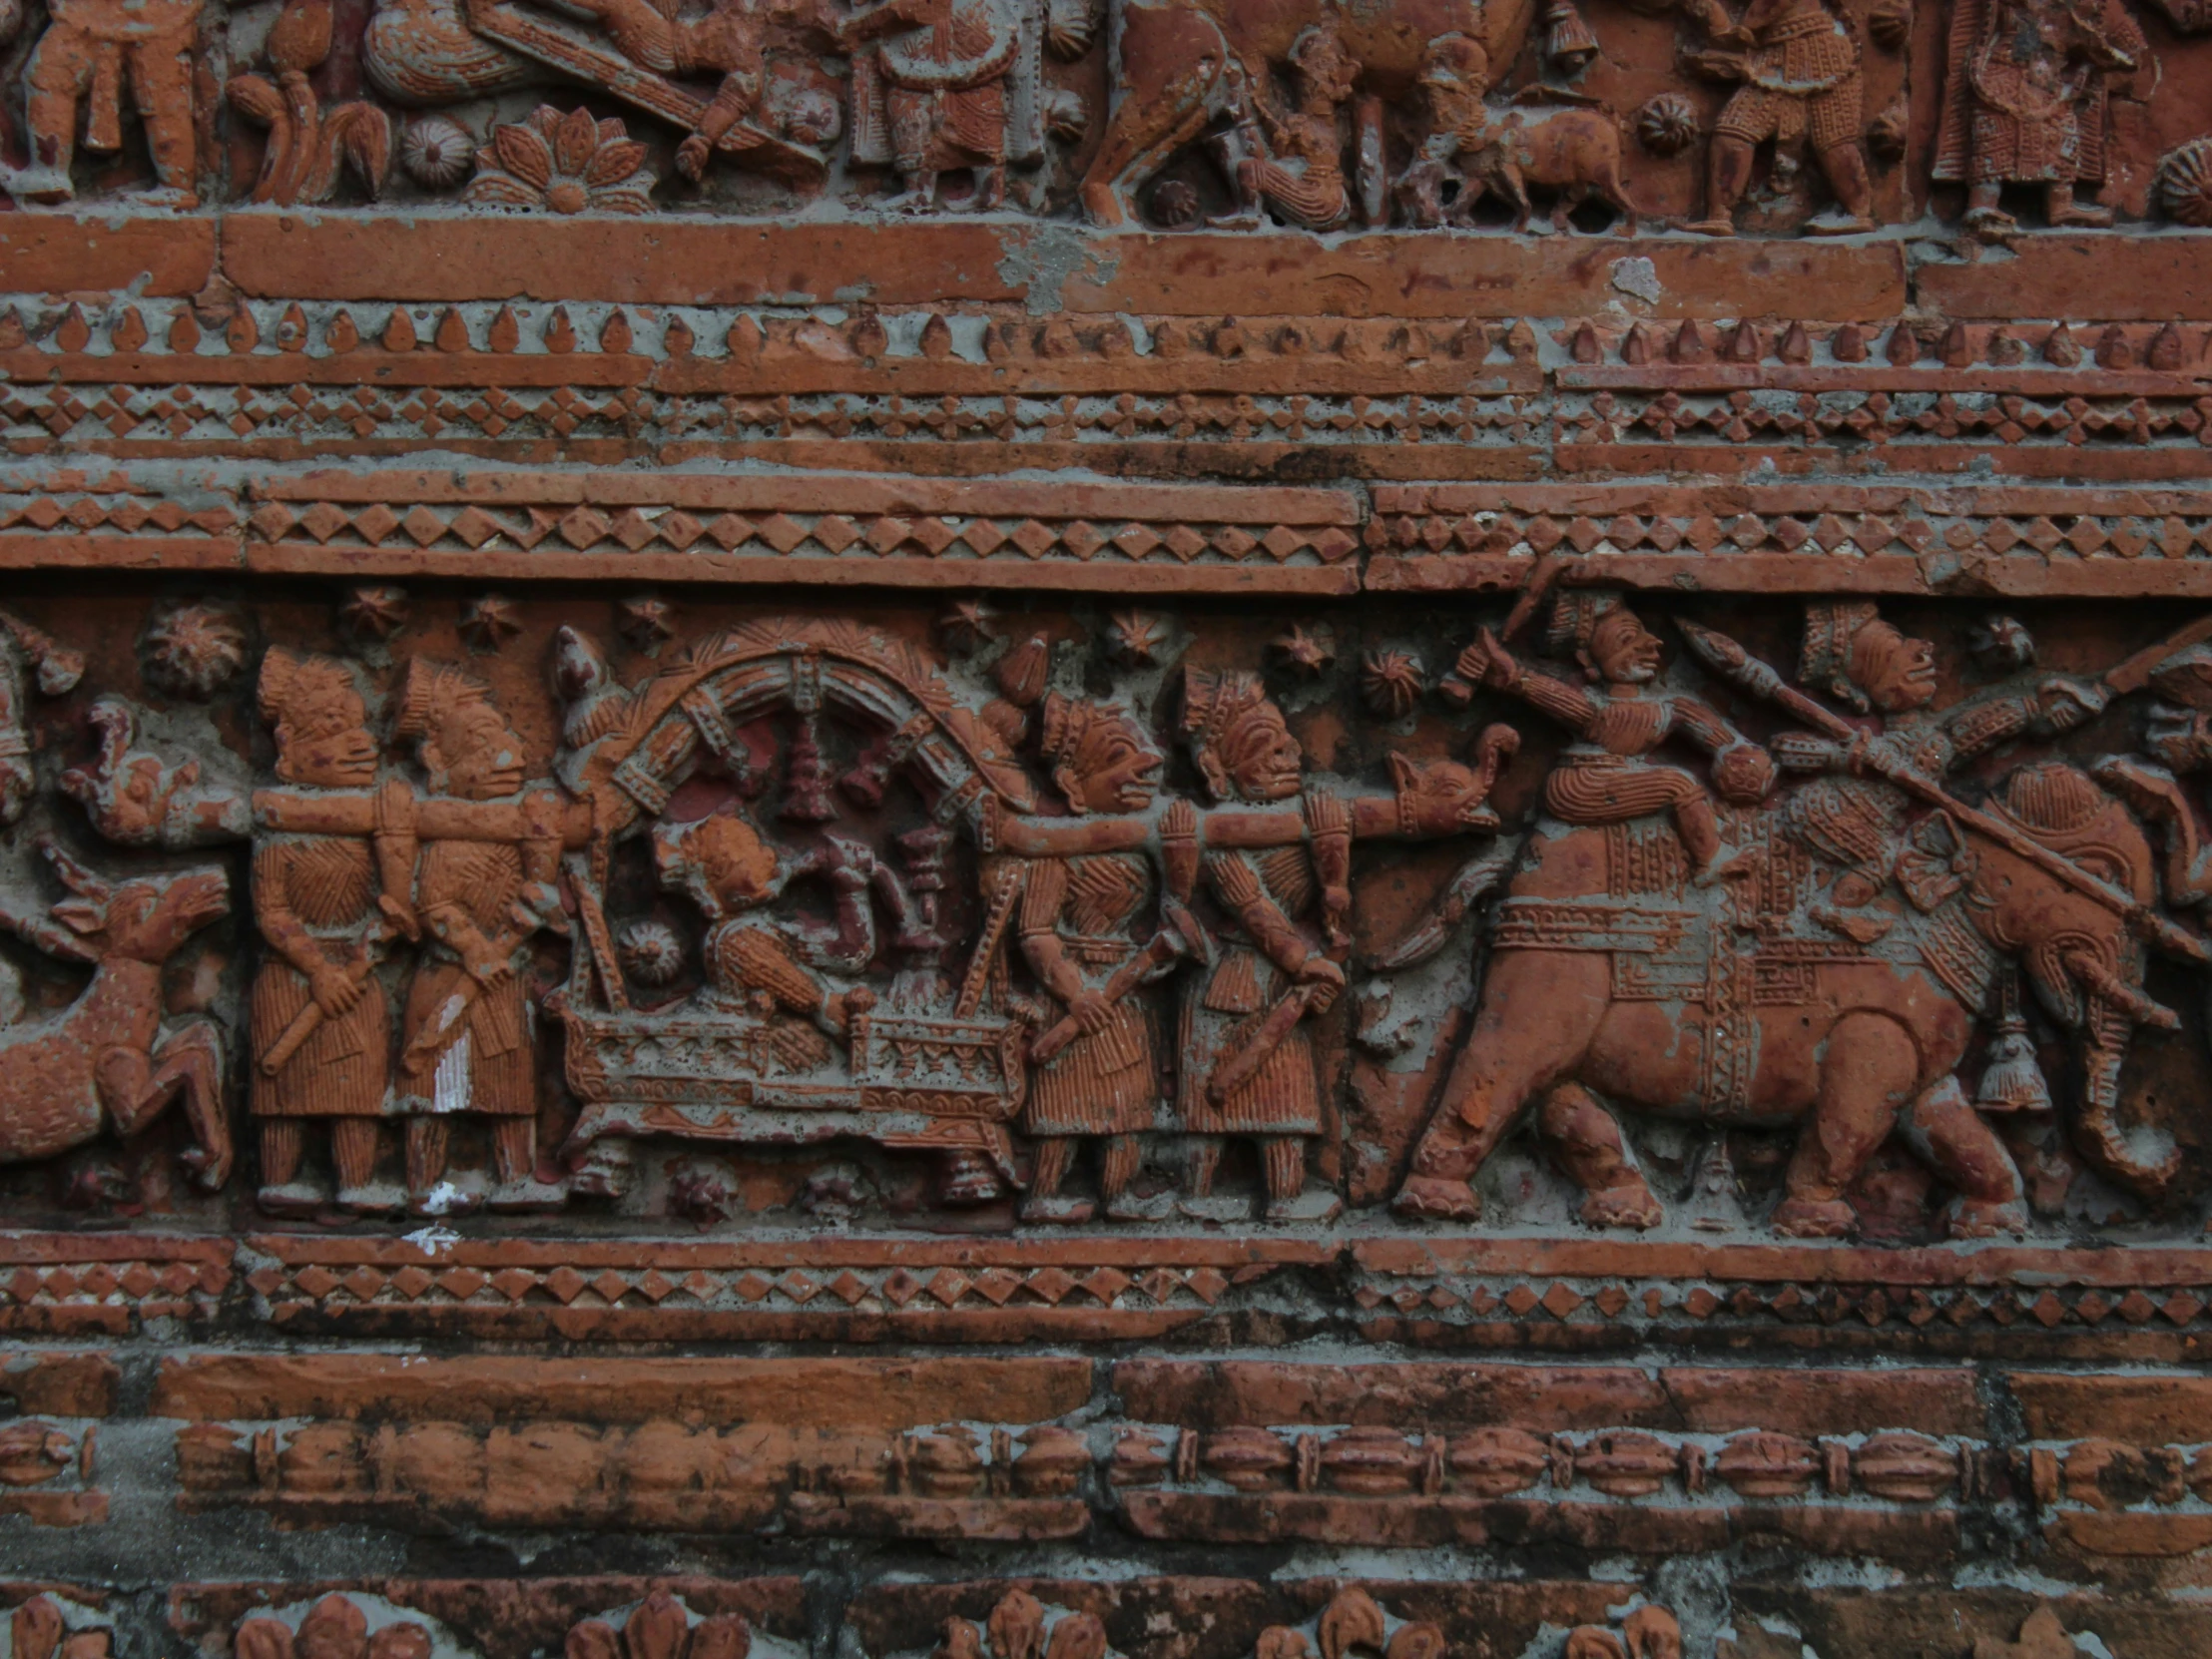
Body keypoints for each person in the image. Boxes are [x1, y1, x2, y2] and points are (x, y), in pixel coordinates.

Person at [391, 660, 566, 1213]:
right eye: (485, 742)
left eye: (506, 737)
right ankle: (422, 1185)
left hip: (502, 981)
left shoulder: (517, 831)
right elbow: (432, 905)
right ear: (439, 763)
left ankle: (514, 1179)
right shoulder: (447, 834)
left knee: (509, 1088)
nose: (509, 754)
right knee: (431, 1090)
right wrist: (473, 947)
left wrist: (541, 909)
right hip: (449, 975)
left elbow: (544, 900)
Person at [1175, 668, 1346, 1221]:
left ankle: (1286, 1199)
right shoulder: (1214, 836)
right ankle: (1196, 1197)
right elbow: (1252, 910)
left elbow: (1334, 917)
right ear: (1218, 769)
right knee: (1207, 1101)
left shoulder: (1304, 827)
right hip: (1229, 974)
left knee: (1287, 1104)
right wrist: (1303, 960)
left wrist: (1332, 856)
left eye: (1287, 741)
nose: (1287, 755)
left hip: (1284, 984)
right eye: (1262, 747)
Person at [1454, 591, 1775, 883]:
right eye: (1627, 639)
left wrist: (1743, 757)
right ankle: (1710, 863)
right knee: (1678, 783)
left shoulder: (1673, 708)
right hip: (1580, 784)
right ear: (1587, 659)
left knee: (1679, 782)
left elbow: (1723, 740)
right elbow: (1546, 693)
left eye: (1645, 635)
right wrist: (1513, 676)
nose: (1652, 644)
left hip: (1616, 779)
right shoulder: (1595, 709)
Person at [250, 650, 408, 1214]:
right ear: (287, 746)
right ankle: (277, 1179)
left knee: (359, 1087)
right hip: (294, 973)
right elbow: (271, 911)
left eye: (361, 728)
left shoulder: (372, 823)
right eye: (335, 731)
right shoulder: (280, 828)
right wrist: (317, 968)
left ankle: (356, 1180)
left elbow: (396, 899)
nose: (363, 744)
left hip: (358, 968)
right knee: (285, 1089)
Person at [1013, 693, 1172, 1222]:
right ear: (1072, 788)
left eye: (1146, 752)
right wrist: (1073, 990)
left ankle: (1119, 1193)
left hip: (1127, 990)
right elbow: (1036, 931)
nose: (1149, 764)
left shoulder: (1145, 851)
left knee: (1129, 1105)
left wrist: (1159, 960)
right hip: (1074, 988)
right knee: (1064, 1103)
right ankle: (1041, 1196)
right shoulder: (1055, 851)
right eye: (1119, 756)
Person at [1933, 0, 2143, 237]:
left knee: (2061, 135)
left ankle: (2060, 204)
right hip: (2003, 71)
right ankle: (1982, 205)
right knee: (1994, 136)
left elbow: (2081, 28)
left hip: (2048, 79)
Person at [1680, 0, 1875, 237]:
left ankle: (1857, 212)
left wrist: (1713, 15)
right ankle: (1718, 216)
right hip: (1778, 54)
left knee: (1833, 138)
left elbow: (1754, 20)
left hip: (1819, 54)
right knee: (1734, 130)